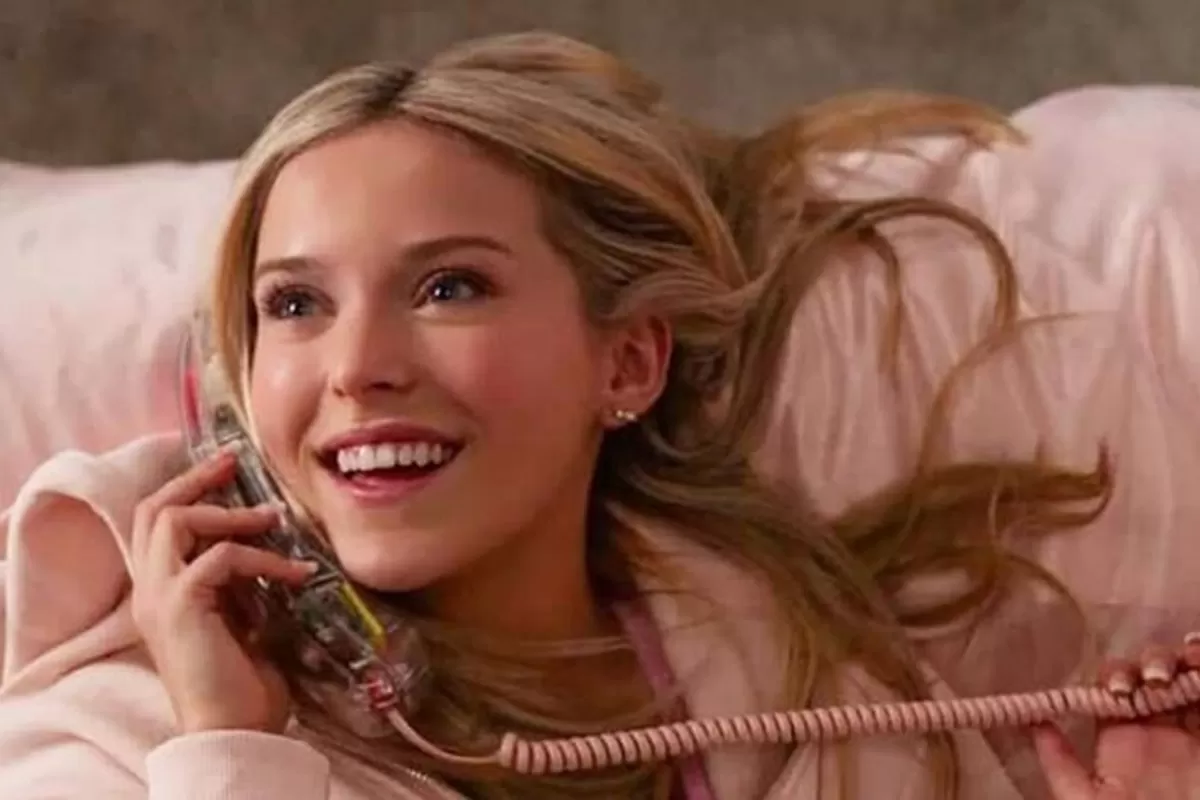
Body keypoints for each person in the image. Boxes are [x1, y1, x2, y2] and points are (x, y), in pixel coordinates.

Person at [0, 31, 1197, 800]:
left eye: (448, 287)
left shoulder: (808, 678)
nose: (357, 367)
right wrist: (233, 754)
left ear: (626, 360)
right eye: (296, 304)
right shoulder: (109, 741)